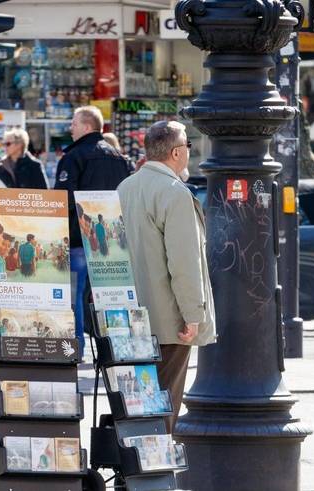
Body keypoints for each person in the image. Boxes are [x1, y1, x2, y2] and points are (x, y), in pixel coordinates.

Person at [117, 121, 216, 433]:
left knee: (135, 406)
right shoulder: (175, 195)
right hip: (167, 322)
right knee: (163, 407)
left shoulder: (125, 188)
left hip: (127, 318)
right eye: (187, 146)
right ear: (176, 152)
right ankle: (155, 475)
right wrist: (193, 316)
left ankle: (132, 473)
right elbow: (184, 263)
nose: (189, 151)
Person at [55, 106, 132, 355]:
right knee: (110, 296)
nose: (71, 127)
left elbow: (62, 199)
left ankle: (75, 349)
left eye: (74, 123)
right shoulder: (120, 158)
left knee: (75, 296)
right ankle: (116, 348)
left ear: (87, 126)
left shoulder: (74, 157)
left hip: (78, 239)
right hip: (112, 242)